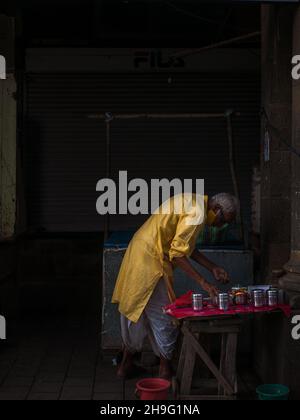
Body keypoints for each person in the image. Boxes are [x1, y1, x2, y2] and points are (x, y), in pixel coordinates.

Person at [112, 192, 239, 379]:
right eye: (223, 221)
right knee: (165, 316)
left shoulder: (194, 203)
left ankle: (125, 366)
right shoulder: (197, 213)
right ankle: (165, 368)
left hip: (138, 254)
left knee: (134, 311)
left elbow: (185, 246)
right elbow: (178, 254)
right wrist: (203, 282)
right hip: (151, 261)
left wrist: (212, 267)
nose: (221, 226)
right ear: (216, 209)